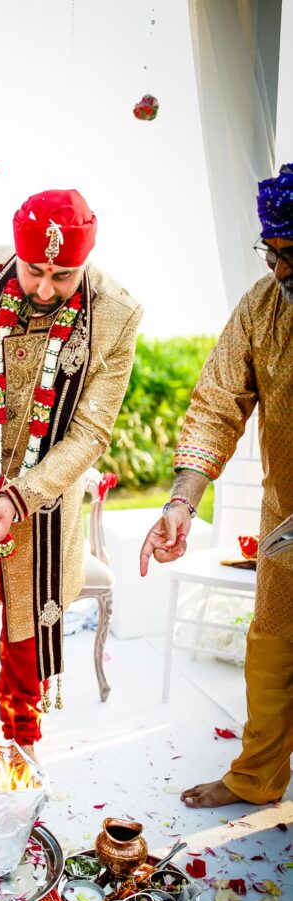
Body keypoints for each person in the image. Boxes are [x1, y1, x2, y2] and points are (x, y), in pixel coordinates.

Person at [0, 189, 143, 758]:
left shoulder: (116, 314)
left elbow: (91, 431)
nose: (43, 289)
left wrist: (22, 497)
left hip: (44, 493)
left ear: (86, 264)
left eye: (62, 277)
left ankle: (22, 737)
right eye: (33, 271)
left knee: (27, 618)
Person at [140, 163, 293, 809]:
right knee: (272, 649)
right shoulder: (262, 307)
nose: (281, 272)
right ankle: (257, 778)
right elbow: (215, 404)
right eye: (272, 254)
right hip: (284, 523)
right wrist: (181, 500)